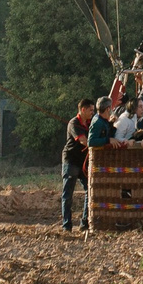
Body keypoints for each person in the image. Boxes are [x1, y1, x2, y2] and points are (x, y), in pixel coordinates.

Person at [60, 98, 97, 232]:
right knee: (67, 194)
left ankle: (84, 223)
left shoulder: (90, 122)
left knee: (90, 191)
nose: (93, 113)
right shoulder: (74, 123)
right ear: (83, 110)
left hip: (83, 163)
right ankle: (66, 226)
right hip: (71, 162)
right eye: (91, 110)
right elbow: (84, 141)